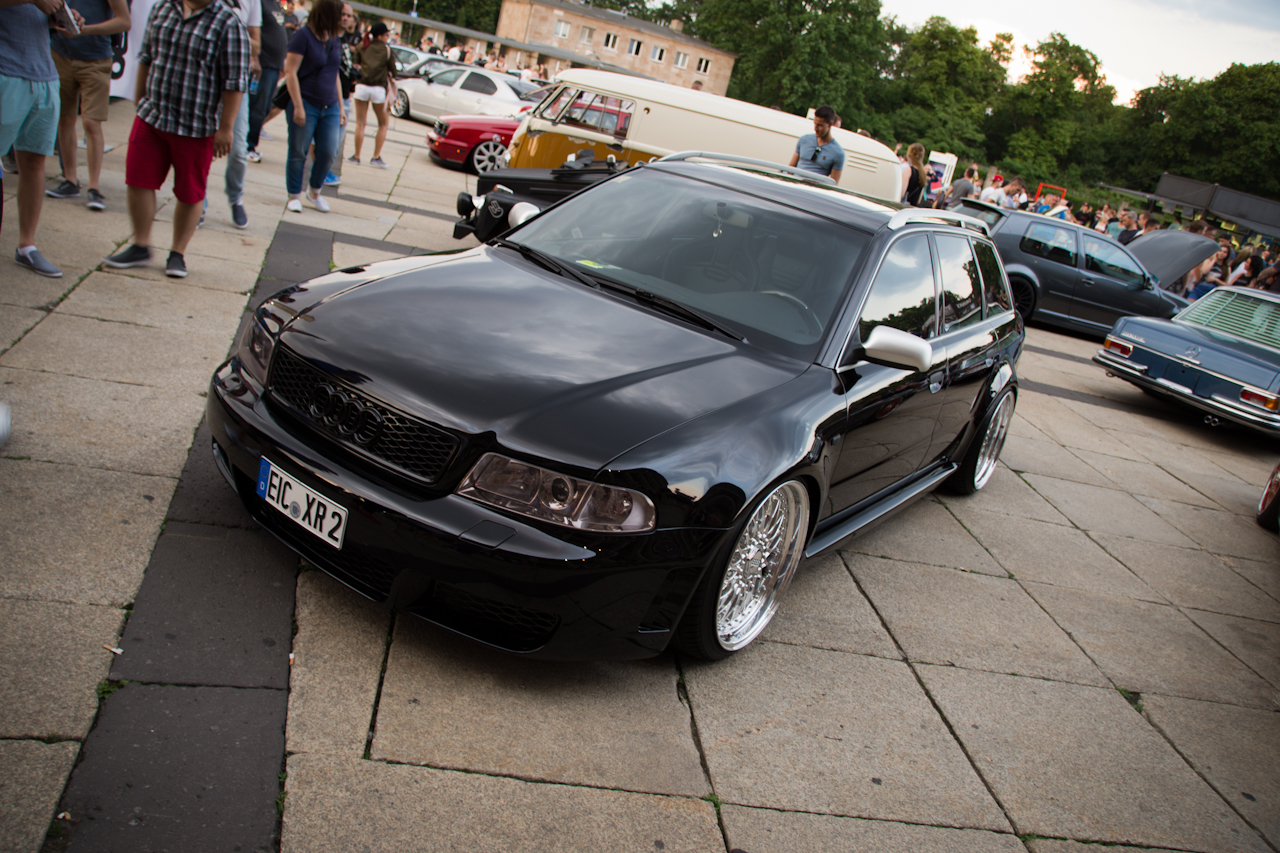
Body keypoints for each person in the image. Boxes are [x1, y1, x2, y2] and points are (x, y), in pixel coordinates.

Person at [102, 0, 250, 277]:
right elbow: (146, 57)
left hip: (196, 126)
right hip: (152, 116)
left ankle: (177, 253)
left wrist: (225, 128)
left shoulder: (229, 23)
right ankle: (141, 245)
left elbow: (234, 83)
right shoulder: (163, 7)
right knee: (138, 179)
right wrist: (139, 99)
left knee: (190, 193)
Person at [2, 0, 73, 277]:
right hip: (6, 72)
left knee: (34, 163)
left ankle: (26, 246)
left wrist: (60, 18)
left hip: (44, 75)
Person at [46, 0, 131, 211]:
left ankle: (94, 187)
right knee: (64, 119)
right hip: (60, 53)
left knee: (92, 123)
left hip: (96, 59)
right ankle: (70, 179)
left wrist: (85, 30)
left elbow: (124, 21)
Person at [282, 0, 344, 211]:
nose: (342, 19)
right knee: (298, 150)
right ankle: (293, 195)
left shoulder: (334, 39)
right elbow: (290, 72)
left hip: (330, 105)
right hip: (306, 101)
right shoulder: (303, 36)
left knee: (328, 151)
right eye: (339, 15)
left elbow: (334, 73)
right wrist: (298, 106)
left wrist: (341, 106)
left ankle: (314, 191)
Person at [207, 0, 261, 229]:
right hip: (204, 78)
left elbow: (256, 44)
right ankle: (197, 200)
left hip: (237, 80)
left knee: (238, 149)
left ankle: (235, 197)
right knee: (200, 147)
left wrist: (231, 32)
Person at [347, 21, 394, 168]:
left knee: (360, 123)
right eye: (386, 35)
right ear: (380, 36)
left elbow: (355, 65)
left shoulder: (361, 46)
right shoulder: (386, 50)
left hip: (361, 87)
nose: (388, 37)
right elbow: (393, 71)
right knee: (383, 124)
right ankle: (376, 157)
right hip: (378, 89)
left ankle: (356, 156)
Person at [246, 0, 287, 164]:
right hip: (263, 65)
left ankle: (250, 144)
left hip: (274, 66)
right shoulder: (259, 3)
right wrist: (254, 59)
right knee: (257, 107)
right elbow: (252, 30)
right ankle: (248, 146)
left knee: (264, 108)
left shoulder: (275, 5)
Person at [331, 1, 359, 180]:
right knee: (328, 140)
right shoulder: (331, 39)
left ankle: (323, 172)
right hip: (333, 97)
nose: (346, 18)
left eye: (349, 16)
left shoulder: (346, 39)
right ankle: (321, 173)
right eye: (343, 14)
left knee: (336, 139)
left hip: (345, 95)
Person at [788, 105, 843, 183]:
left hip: (814, 189)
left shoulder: (838, 153)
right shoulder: (804, 140)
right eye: (815, 124)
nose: (815, 128)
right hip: (795, 185)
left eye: (820, 125)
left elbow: (833, 183)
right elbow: (791, 168)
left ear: (830, 124)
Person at [901, 142, 928, 206]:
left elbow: (901, 193)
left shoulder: (909, 170)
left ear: (909, 155)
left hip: (903, 207)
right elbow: (919, 200)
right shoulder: (923, 174)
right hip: (913, 208)